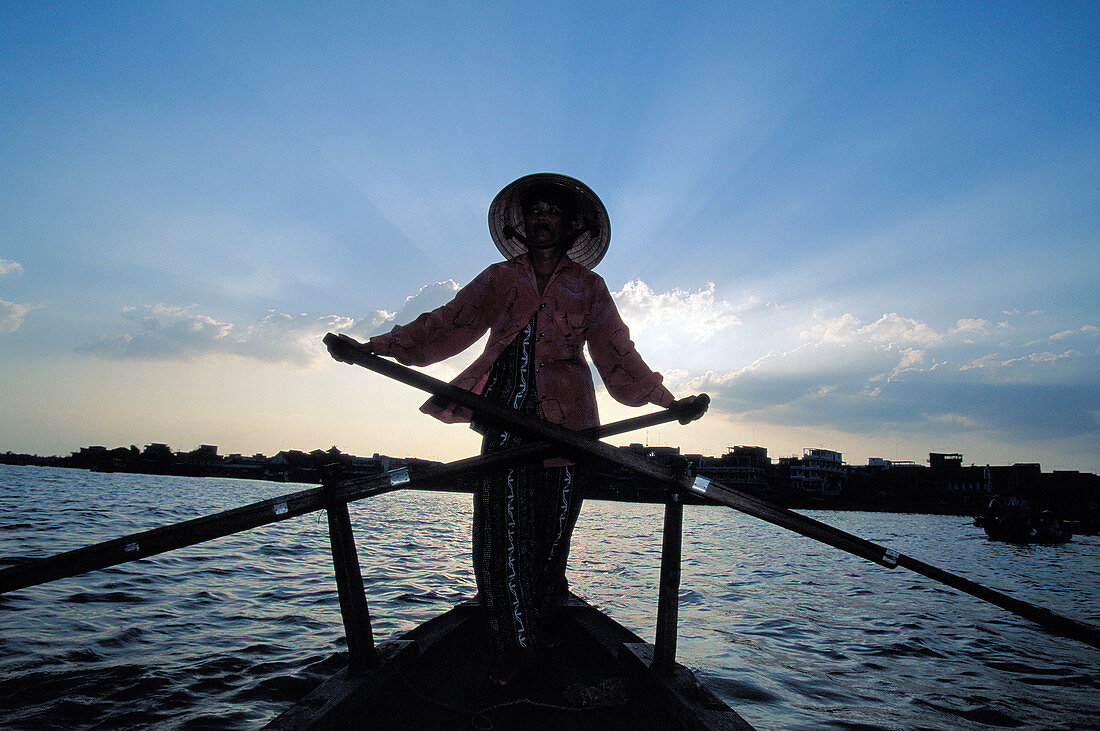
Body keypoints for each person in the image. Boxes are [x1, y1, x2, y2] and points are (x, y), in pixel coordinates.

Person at [327, 173, 704, 682]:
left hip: (570, 432)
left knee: (551, 540)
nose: (542, 219)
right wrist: (373, 348)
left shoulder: (589, 288)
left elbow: (618, 354)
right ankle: (518, 644)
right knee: (501, 536)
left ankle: (538, 621)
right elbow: (446, 323)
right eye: (534, 212)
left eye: (553, 212)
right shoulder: (500, 279)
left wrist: (668, 401)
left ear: (571, 226)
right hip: (506, 421)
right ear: (522, 224)